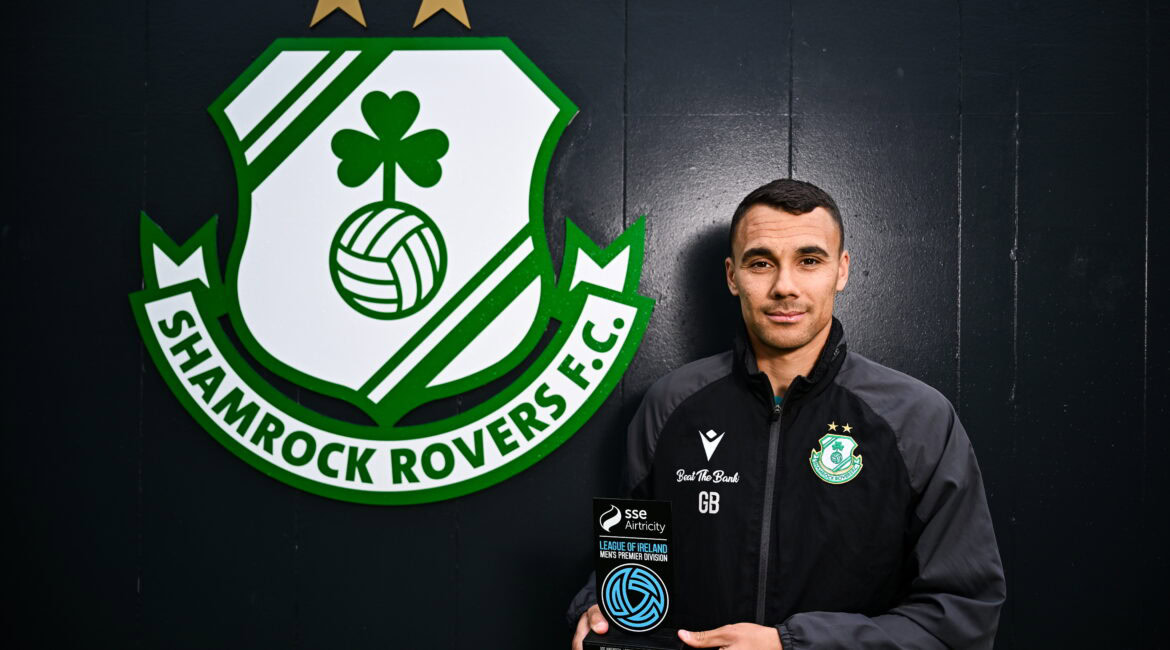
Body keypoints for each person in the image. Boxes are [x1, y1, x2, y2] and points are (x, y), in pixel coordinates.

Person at [568, 179, 1006, 649]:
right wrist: (598, 606)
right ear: (732, 276)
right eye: (761, 263)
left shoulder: (918, 419)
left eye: (809, 261)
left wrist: (791, 645)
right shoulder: (670, 405)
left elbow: (962, 615)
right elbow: (633, 561)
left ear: (841, 270)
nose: (784, 286)